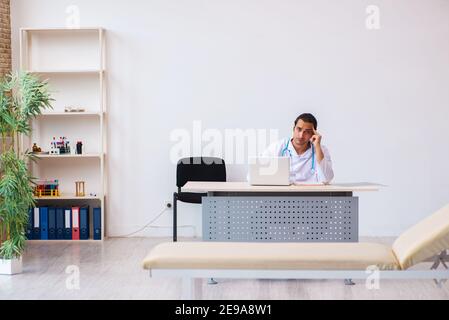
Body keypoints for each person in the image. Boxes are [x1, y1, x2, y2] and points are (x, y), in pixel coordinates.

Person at [262, 113, 334, 184]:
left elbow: (327, 179)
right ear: (294, 128)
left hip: (310, 194)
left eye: (307, 132)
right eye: (299, 129)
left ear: (313, 133)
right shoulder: (277, 147)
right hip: (284, 193)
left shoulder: (320, 150)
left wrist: (317, 147)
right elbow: (260, 172)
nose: (301, 135)